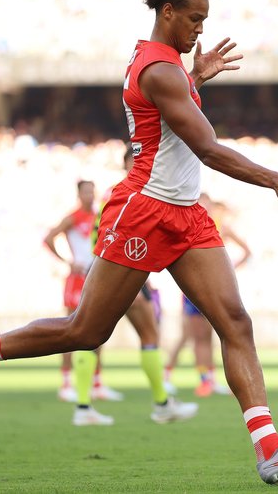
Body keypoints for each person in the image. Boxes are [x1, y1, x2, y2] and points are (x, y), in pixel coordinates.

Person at [0, 0, 278, 485]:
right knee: (85, 331)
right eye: (194, 18)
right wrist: (273, 178)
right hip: (143, 210)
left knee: (235, 321)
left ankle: (269, 448)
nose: (200, 30)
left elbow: (171, 116)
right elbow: (204, 146)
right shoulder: (160, 71)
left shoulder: (170, 69)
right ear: (168, 12)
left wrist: (196, 76)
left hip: (186, 214)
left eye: (205, 20)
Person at [70, 144, 198, 426]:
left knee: (91, 336)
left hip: (110, 270)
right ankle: (162, 403)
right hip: (120, 271)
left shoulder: (116, 193)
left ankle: (83, 407)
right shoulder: (132, 193)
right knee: (145, 334)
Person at [42, 180, 123, 404]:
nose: (90, 195)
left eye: (92, 191)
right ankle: (66, 383)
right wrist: (67, 262)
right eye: (86, 191)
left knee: (99, 328)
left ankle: (97, 382)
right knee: (70, 328)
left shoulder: (98, 215)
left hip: (95, 276)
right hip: (77, 278)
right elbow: (48, 239)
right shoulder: (73, 217)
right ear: (79, 194)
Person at [164, 194, 251, 397]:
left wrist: (230, 269)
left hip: (207, 285)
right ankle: (202, 380)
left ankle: (207, 380)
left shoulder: (209, 226)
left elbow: (247, 251)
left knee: (208, 336)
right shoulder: (199, 225)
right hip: (198, 287)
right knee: (199, 336)